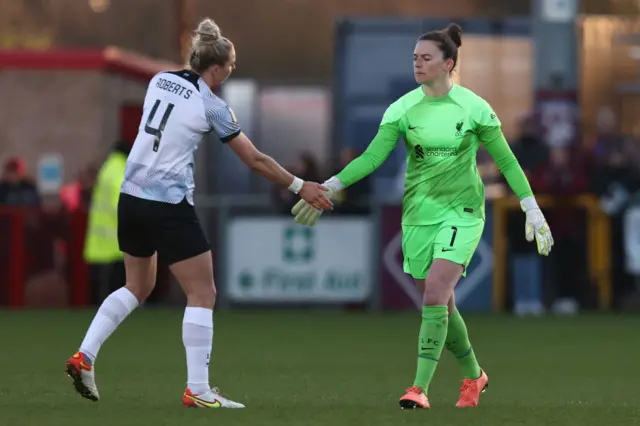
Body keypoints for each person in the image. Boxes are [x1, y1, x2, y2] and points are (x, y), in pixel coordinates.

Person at [65, 17, 331, 409]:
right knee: (203, 292)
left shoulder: (159, 80)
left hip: (131, 197)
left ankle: (85, 354)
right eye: (230, 67)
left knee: (137, 286)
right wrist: (299, 186)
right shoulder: (213, 105)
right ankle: (199, 389)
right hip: (167, 203)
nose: (230, 72)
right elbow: (255, 159)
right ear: (218, 68)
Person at [291, 23, 554, 409]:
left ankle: (419, 388)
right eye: (415, 57)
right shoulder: (402, 108)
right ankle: (474, 376)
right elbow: (372, 157)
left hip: (462, 213)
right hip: (417, 215)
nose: (418, 63)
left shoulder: (475, 108)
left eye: (426, 57)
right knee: (440, 304)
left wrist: (531, 206)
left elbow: (506, 160)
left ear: (448, 64)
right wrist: (331, 184)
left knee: (434, 294)